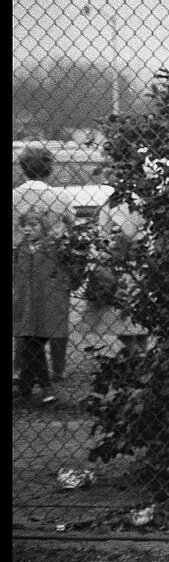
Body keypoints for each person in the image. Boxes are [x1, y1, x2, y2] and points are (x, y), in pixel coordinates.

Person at [12, 146, 76, 403]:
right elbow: (71, 227)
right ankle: (44, 378)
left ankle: (23, 378)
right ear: (49, 168)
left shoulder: (14, 196)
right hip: (52, 264)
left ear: (23, 168)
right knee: (45, 320)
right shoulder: (60, 198)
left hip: (20, 262)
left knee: (26, 320)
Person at [83, 197, 150, 354]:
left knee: (133, 315)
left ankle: (140, 352)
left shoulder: (138, 201)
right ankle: (135, 352)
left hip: (134, 261)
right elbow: (104, 233)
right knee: (118, 315)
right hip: (120, 262)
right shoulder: (111, 203)